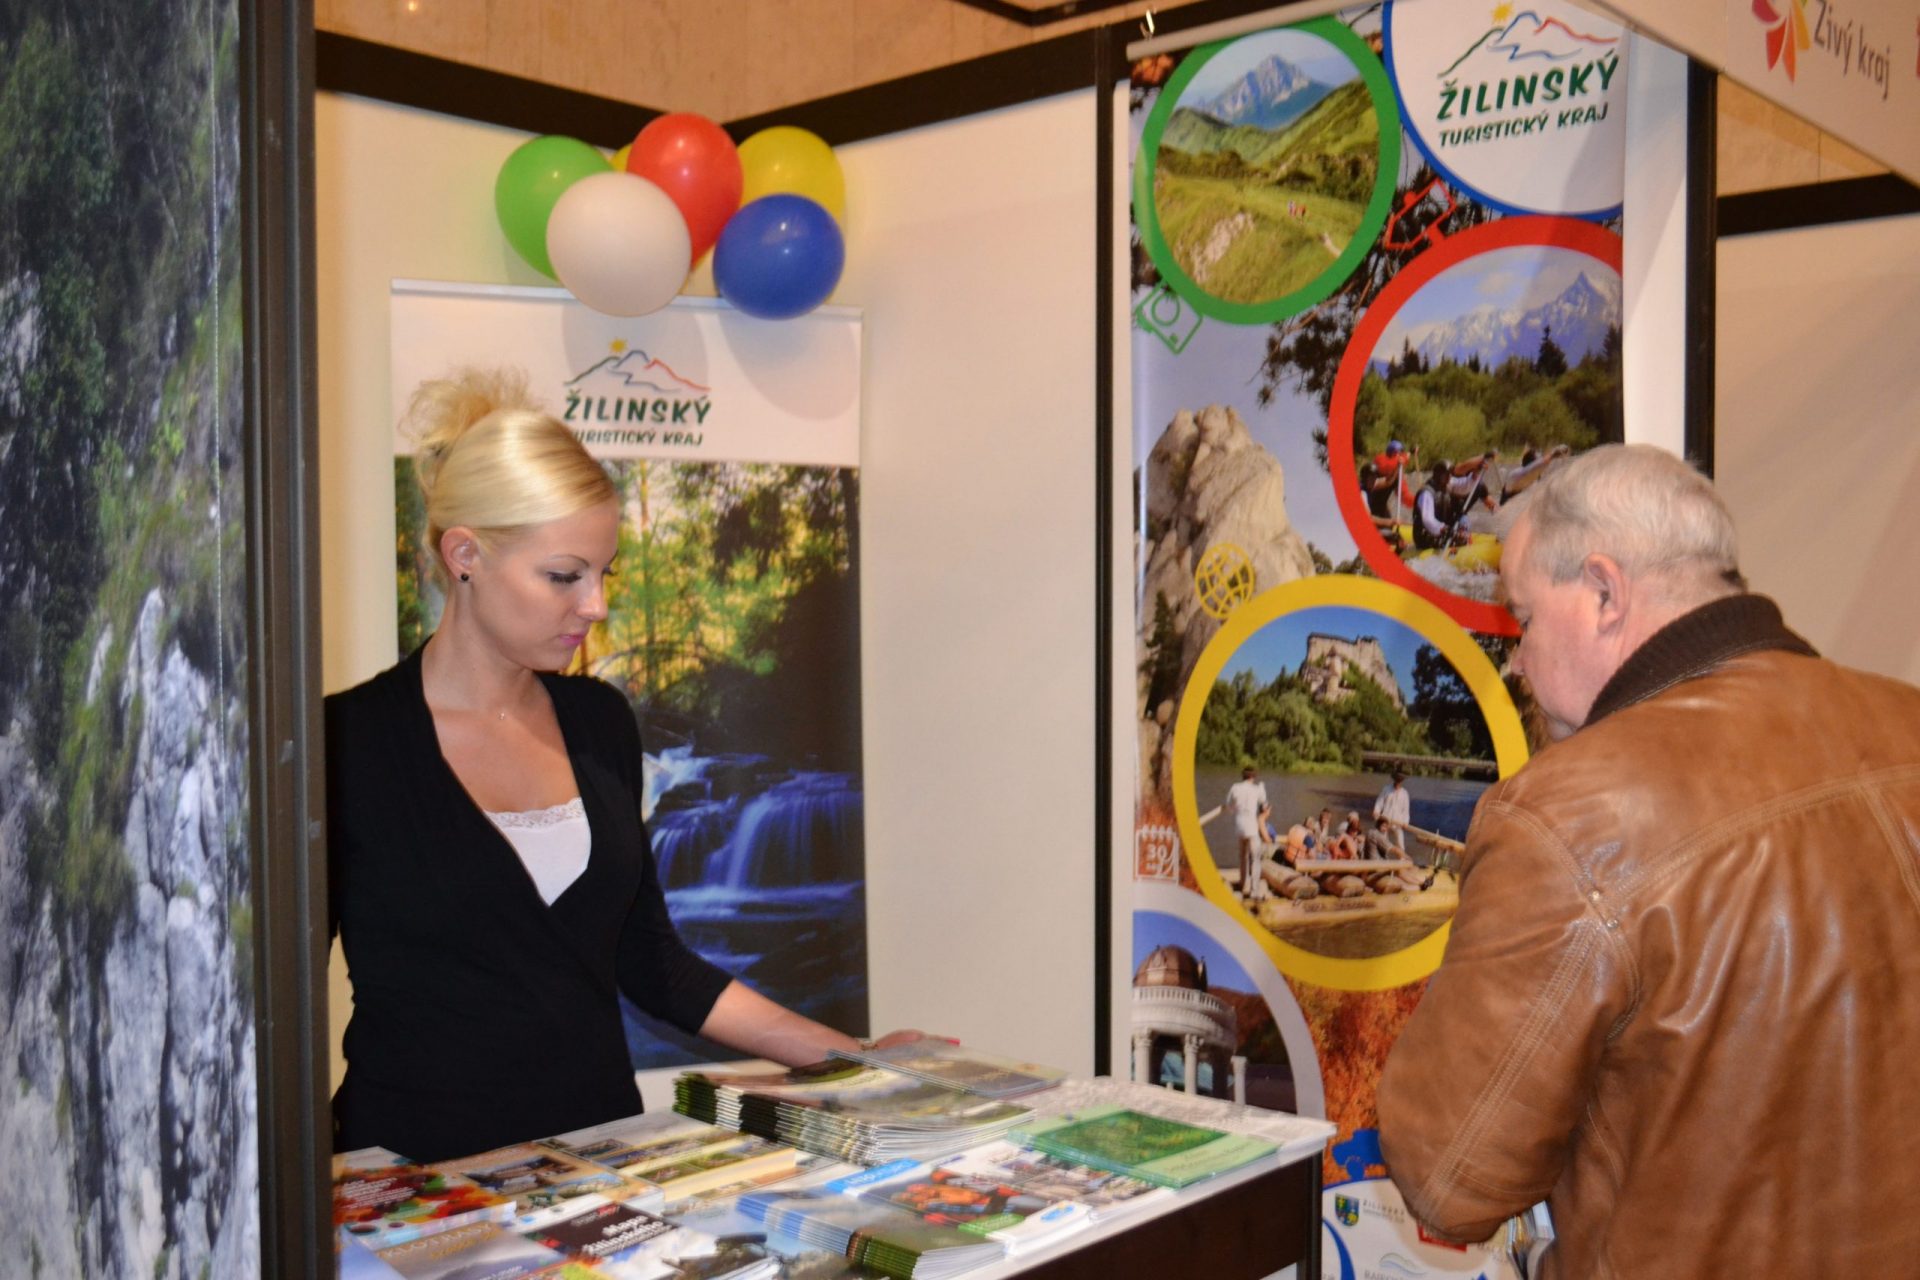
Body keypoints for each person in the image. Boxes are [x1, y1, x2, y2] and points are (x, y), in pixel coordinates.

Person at [327, 370, 917, 1162]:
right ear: (465, 554)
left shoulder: (598, 722)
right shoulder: (343, 744)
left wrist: (854, 1057)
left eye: (603, 573)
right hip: (413, 1184)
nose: (596, 605)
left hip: (592, 1166)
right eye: (564, 575)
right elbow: (271, 1016)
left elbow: (653, 963)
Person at [1376, 444, 1920, 1278]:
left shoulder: (1570, 814)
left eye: (1523, 620)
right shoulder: (1906, 722)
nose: (1517, 661)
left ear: (1604, 593)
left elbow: (1449, 1179)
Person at [1224, 765, 1270, 902]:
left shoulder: (1235, 787)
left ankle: (1243, 884)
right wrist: (1262, 788)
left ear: (1243, 776)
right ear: (1253, 776)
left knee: (1243, 857)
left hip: (1239, 827)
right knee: (1255, 859)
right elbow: (1264, 805)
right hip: (1252, 829)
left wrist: (1235, 809)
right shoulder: (1257, 789)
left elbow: (1229, 807)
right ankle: (1254, 891)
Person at [1371, 769, 1410, 854]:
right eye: (1397, 779)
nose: (1398, 781)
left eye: (1400, 779)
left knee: (1400, 843)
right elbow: (1379, 802)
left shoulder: (1404, 794)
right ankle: (1381, 857)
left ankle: (1402, 859)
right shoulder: (1386, 789)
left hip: (1398, 822)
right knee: (1382, 841)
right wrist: (1376, 811)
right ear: (1394, 779)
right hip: (1385, 819)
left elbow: (1406, 811)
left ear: (1402, 780)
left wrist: (1405, 822)